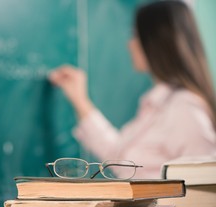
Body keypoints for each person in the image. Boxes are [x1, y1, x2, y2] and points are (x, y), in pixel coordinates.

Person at [49, 0, 216, 178]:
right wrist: (80, 101)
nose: (130, 44)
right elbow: (119, 157)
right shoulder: (157, 103)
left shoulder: (184, 108)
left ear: (156, 42)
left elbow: (203, 184)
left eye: (135, 35)